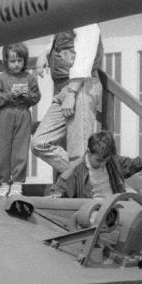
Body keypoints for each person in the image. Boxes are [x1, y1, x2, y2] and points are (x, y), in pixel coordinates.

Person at [31, 23, 104, 189]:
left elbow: (85, 56)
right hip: (64, 88)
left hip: (80, 87)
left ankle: (86, 187)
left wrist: (72, 92)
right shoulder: (69, 16)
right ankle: (88, 178)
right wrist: (45, 53)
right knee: (39, 142)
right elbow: (58, 40)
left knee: (79, 150)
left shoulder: (87, 20)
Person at [0, 43, 40, 197]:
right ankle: (2, 183)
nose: (16, 64)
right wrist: (10, 94)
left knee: (20, 151)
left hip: (23, 115)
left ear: (24, 60)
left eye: (20, 60)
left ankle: (17, 184)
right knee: (2, 150)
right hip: (3, 116)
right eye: (13, 61)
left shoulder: (29, 78)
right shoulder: (0, 78)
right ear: (6, 61)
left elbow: (36, 97)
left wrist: (27, 96)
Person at [53, 130, 142, 199]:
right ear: (88, 151)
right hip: (93, 209)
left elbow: (129, 164)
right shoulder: (76, 170)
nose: (102, 164)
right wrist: (57, 193)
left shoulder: (113, 161)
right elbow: (63, 185)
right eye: (98, 160)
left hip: (114, 206)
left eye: (105, 160)